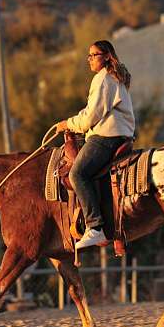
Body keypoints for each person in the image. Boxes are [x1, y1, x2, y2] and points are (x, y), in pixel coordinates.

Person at [56, 40, 135, 250]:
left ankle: (95, 227)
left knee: (77, 174)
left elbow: (90, 118)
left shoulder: (103, 79)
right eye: (89, 56)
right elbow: (90, 111)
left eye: (94, 55)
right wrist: (70, 122)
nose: (90, 59)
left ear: (107, 56)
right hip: (118, 134)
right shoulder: (112, 77)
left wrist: (68, 124)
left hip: (106, 137)